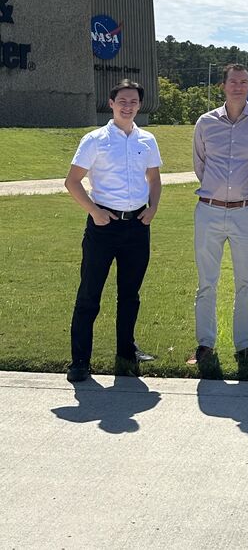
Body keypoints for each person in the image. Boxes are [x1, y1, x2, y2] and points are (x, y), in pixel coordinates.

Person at [64, 80, 162, 383]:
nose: (128, 106)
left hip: (137, 226)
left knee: (130, 295)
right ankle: (80, 361)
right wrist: (95, 212)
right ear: (111, 103)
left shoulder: (147, 140)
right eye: (122, 101)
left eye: (133, 101)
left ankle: (126, 352)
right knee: (89, 294)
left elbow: (154, 178)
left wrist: (153, 208)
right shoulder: (95, 140)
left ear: (139, 105)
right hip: (103, 228)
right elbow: (72, 181)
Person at [191, 63, 248, 366]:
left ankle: (245, 346)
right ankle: (205, 345)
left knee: (246, 281)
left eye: (243, 82)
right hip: (209, 211)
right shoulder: (205, 123)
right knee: (206, 282)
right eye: (233, 82)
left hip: (245, 213)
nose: (238, 87)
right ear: (223, 86)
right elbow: (200, 164)